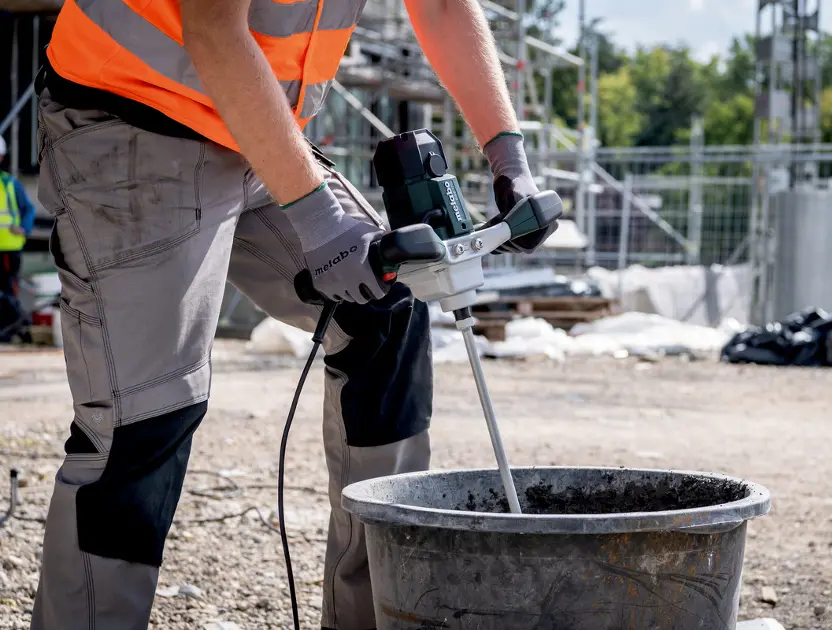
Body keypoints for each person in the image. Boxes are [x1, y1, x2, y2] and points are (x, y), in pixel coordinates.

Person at [29, 1, 557, 629]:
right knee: (141, 417)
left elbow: (442, 5)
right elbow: (212, 28)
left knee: (384, 312)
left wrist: (510, 162)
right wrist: (319, 222)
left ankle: (368, 615)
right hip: (131, 118)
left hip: (256, 128)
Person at [0, 135, 36, 300]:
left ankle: (12, 316)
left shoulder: (9, 183)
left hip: (7, 247)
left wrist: (23, 228)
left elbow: (28, 209)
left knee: (7, 295)